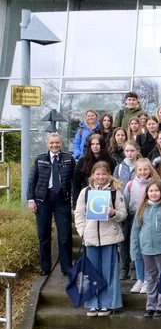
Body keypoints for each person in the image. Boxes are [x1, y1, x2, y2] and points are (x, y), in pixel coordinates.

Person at [73, 161, 127, 316]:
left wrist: (113, 213)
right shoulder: (86, 192)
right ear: (93, 175)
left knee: (109, 272)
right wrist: (83, 232)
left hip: (109, 238)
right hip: (91, 239)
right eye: (98, 174)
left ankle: (108, 303)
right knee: (92, 273)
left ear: (109, 175)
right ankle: (93, 303)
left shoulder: (115, 191)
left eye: (104, 174)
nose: (101, 177)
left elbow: (123, 214)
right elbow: (79, 214)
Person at [28, 133, 77, 276]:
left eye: (57, 143)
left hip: (63, 200)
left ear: (61, 143)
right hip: (43, 200)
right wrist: (31, 200)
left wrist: (75, 202)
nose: (54, 145)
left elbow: (75, 181)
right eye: (52, 143)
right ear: (47, 144)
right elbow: (32, 181)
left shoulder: (69, 158)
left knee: (65, 235)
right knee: (43, 235)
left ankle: (67, 267)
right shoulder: (40, 159)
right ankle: (45, 266)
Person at [130, 180, 161, 318]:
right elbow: (135, 231)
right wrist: (134, 250)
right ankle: (150, 305)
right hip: (146, 250)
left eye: (156, 191)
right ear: (147, 193)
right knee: (150, 278)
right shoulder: (141, 209)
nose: (153, 193)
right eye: (151, 191)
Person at [123, 158, 158, 292]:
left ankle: (148, 279)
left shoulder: (154, 184)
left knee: (147, 249)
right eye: (140, 170)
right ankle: (139, 278)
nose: (143, 172)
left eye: (145, 169)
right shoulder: (131, 184)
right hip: (133, 218)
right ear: (135, 171)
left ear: (150, 170)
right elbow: (125, 201)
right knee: (135, 248)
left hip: (149, 217)